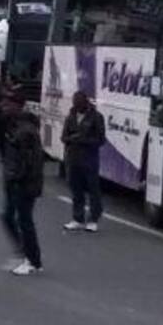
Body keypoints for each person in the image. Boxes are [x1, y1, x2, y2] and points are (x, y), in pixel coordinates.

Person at [0, 91, 44, 275]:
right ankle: (24, 253)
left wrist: (18, 179)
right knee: (9, 216)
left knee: (24, 220)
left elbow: (30, 162)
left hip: (24, 183)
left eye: (9, 104)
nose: (5, 107)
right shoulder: (15, 126)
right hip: (14, 181)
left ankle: (32, 261)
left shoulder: (26, 131)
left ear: (19, 106)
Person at [62, 89, 106, 232]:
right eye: (74, 103)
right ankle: (77, 218)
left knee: (93, 189)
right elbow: (64, 137)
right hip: (73, 158)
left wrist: (84, 141)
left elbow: (101, 139)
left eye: (79, 103)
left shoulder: (96, 117)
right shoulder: (70, 117)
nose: (76, 106)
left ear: (85, 102)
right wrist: (71, 139)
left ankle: (93, 219)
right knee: (76, 190)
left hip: (89, 159)